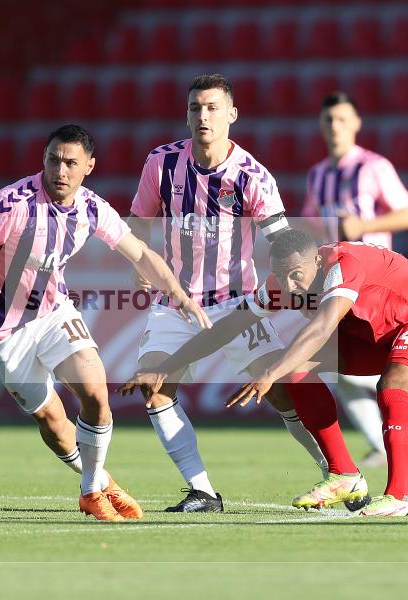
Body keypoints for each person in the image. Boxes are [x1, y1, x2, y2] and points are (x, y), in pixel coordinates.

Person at [0, 124, 211, 521]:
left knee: (96, 394)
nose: (60, 171)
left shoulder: (92, 208)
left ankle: (89, 492)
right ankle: (104, 483)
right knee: (52, 420)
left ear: (89, 167)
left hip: (53, 314)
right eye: (53, 160)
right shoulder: (10, 204)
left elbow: (141, 254)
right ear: (43, 161)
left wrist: (179, 293)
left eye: (70, 163)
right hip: (1, 332)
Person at [119, 229, 408, 517]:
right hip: (368, 334)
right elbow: (226, 328)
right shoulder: (281, 283)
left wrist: (269, 370)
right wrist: (164, 367)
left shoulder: (342, 267)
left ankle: (401, 497)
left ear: (316, 261)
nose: (290, 285)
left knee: (392, 386)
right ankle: (345, 475)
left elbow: (322, 329)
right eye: (282, 275)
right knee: (296, 369)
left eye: (296, 274)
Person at [126, 74, 330, 512]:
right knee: (155, 387)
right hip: (175, 303)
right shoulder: (160, 164)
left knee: (278, 391)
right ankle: (203, 491)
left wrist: (303, 289)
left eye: (213, 108)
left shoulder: (252, 176)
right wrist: (140, 262)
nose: (203, 116)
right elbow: (138, 221)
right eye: (196, 108)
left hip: (236, 303)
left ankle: (335, 473)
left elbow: (283, 243)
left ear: (232, 115)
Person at [300, 91, 408, 468]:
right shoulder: (317, 175)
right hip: (335, 277)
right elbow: (309, 221)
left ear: (356, 124)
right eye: (328, 120)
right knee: (340, 363)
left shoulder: (374, 167)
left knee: (360, 360)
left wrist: (366, 225)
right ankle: (385, 439)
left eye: (342, 119)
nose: (334, 127)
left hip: (375, 281)